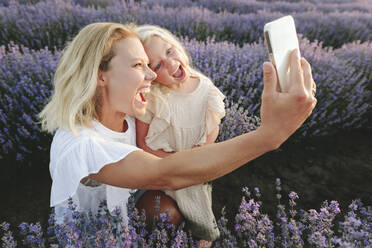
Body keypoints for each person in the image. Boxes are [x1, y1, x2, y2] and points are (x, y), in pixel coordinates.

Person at [38, 22, 317, 237]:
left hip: (129, 228)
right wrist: (269, 135)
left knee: (164, 212)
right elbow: (167, 174)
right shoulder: (81, 144)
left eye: (150, 66)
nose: (151, 75)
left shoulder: (129, 117)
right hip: (97, 239)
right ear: (100, 75)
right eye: (138, 65)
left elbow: (189, 112)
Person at [133, 24, 225, 243]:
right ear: (150, 75)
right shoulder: (153, 97)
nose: (171, 63)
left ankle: (201, 233)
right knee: (163, 214)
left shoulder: (205, 88)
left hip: (193, 167)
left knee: (199, 210)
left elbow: (212, 127)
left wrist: (198, 157)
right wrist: (174, 165)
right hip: (159, 171)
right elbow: (144, 145)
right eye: (158, 65)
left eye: (169, 51)